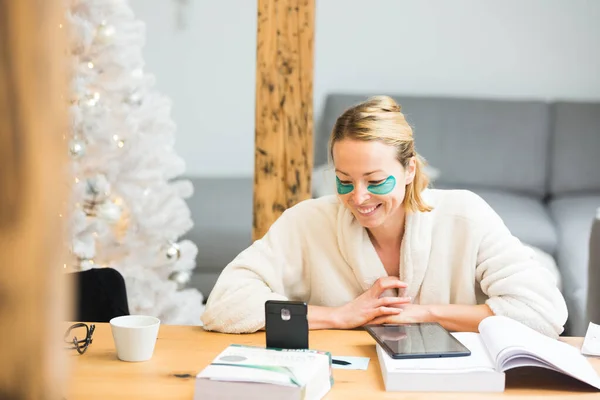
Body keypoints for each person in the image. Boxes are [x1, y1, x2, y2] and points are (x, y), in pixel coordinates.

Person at [201, 95, 568, 338]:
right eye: (344, 181)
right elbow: (223, 306)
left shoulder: (465, 216)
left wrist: (423, 314)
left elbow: (542, 313)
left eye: (375, 181)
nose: (358, 198)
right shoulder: (308, 221)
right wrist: (339, 316)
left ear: (409, 170)